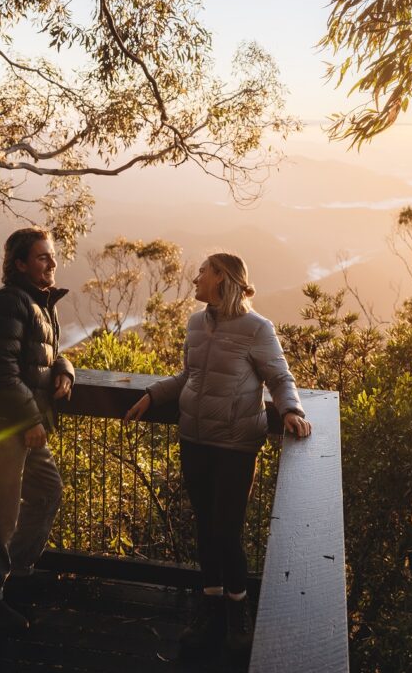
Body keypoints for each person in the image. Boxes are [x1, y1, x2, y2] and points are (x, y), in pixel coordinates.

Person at [125, 252, 311, 656]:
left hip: (234, 445)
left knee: (227, 531)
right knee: (205, 526)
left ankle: (236, 611)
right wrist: (152, 396)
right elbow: (190, 375)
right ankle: (209, 608)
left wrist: (292, 409)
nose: (195, 277)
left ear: (222, 278)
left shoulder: (257, 328)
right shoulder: (196, 323)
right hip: (193, 438)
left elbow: (279, 377)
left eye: (203, 272)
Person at [0, 227, 74, 633]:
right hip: (5, 426)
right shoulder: (7, 302)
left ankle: (18, 574)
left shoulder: (40, 303)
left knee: (47, 491)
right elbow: (0, 372)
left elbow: (49, 356)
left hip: (28, 425)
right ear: (21, 263)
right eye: (43, 257)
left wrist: (65, 370)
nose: (52, 262)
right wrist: (30, 421)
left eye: (53, 255)